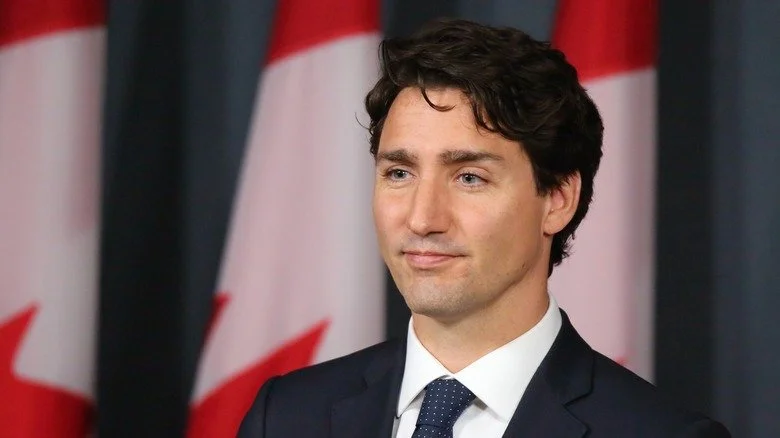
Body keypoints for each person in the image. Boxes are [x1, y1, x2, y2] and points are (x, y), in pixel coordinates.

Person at [237, 18, 730, 437]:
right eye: (399, 173)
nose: (422, 218)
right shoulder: (284, 416)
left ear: (557, 199)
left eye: (469, 177)